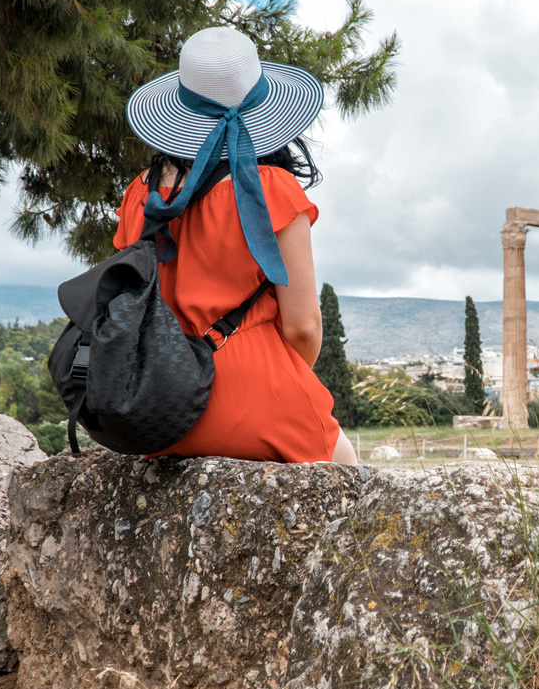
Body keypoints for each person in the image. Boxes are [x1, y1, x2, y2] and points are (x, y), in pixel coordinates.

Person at [116, 25, 358, 465]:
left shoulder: (139, 196)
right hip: (260, 403)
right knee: (352, 485)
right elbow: (303, 328)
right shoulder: (274, 189)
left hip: (157, 411)